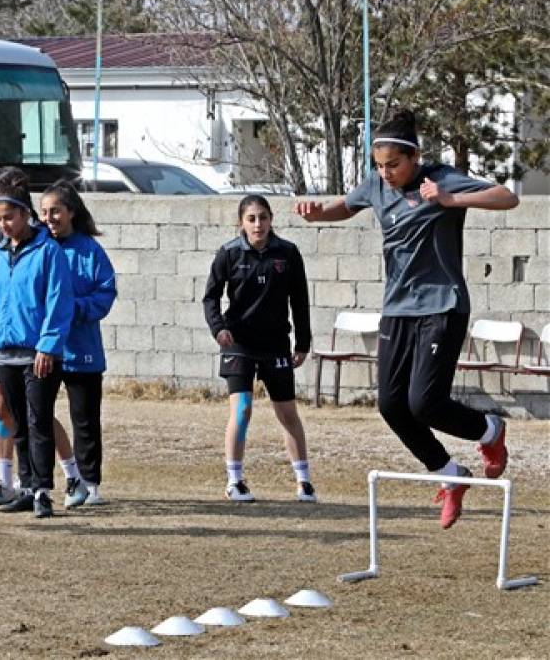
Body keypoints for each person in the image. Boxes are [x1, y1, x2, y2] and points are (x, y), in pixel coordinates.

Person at [295, 110, 517, 529]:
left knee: (424, 402)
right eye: (379, 166)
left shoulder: (442, 179)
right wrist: (317, 212)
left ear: (415, 157)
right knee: (392, 405)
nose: (386, 173)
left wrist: (452, 201)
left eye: (393, 165)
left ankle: (489, 431)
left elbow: (508, 196)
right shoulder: (377, 184)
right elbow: (347, 205)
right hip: (397, 308)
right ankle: (451, 476)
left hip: (442, 306)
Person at [0, 168, 80, 510]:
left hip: (38, 354)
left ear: (25, 213)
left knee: (39, 421)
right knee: (18, 423)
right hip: (5, 354)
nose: (3, 225)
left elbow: (58, 303)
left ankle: (43, 492)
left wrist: (48, 346)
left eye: (9, 217)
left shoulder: (49, 252)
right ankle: (25, 487)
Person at [202, 195, 315, 503]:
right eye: (251, 218)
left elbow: (300, 300)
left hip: (276, 343)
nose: (258, 224)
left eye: (263, 217)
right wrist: (218, 328)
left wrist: (302, 342)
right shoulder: (228, 253)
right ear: (241, 222)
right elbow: (210, 297)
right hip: (238, 342)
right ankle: (235, 481)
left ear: (271, 219)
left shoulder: (288, 253)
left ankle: (303, 481)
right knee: (242, 409)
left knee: (287, 412)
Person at [38, 180, 117, 508]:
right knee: (37, 414)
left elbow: (105, 293)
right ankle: (40, 481)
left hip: (81, 349)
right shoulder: (38, 247)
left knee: (84, 419)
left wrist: (73, 308)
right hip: (44, 348)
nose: (49, 218)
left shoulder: (90, 251)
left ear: (71, 212)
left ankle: (90, 482)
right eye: (43, 212)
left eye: (55, 210)